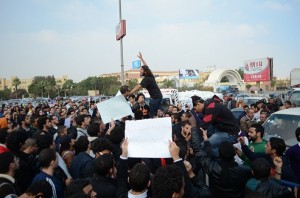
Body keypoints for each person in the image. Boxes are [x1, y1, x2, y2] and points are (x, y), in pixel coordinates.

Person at [192, 128, 252, 198]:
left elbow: (199, 151)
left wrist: (194, 129)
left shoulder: (213, 168)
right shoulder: (244, 171)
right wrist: (246, 149)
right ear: (234, 154)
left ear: (219, 155)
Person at [129, 52, 162, 118]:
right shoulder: (150, 76)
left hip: (155, 98)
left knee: (152, 115)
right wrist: (141, 59)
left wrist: (130, 93)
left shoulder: (147, 79)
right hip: (158, 97)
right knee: (154, 114)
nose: (140, 71)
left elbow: (138, 86)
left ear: (145, 71)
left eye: (141, 69)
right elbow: (146, 66)